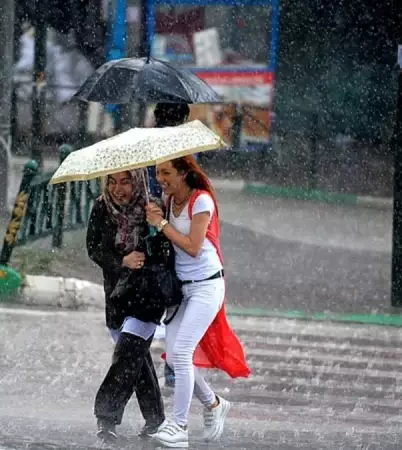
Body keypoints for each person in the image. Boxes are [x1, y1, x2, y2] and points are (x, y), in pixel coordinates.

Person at [144, 155, 251, 448]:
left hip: (207, 287)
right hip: (182, 291)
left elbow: (192, 246)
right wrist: (156, 219)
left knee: (181, 355)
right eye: (157, 173)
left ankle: (178, 427)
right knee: (176, 356)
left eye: (166, 173)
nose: (161, 179)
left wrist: (162, 223)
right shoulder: (168, 201)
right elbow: (167, 240)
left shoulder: (201, 200)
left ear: (184, 173)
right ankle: (214, 403)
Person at [87, 168, 172, 444]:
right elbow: (94, 248)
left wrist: (154, 229)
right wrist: (121, 261)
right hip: (116, 295)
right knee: (136, 359)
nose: (117, 188)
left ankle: (106, 417)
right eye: (112, 181)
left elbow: (166, 253)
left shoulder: (153, 206)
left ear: (136, 181)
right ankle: (156, 419)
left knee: (127, 354)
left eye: (125, 181)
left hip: (147, 295)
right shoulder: (101, 207)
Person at [150, 102, 191, 389]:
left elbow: (151, 185)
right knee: (177, 298)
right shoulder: (187, 150)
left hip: (154, 225)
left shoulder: (147, 144)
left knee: (157, 292)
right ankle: (173, 366)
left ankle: (142, 352)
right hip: (178, 224)